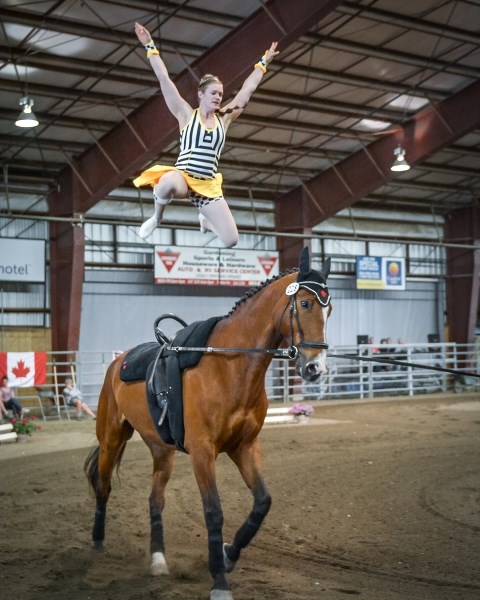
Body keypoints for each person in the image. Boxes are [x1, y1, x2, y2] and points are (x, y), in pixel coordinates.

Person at [132, 22, 279, 246]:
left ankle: (206, 219)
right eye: (213, 93)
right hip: (184, 179)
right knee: (166, 181)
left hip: (208, 186)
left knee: (231, 240)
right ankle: (156, 217)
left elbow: (247, 90)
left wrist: (263, 63)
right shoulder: (185, 114)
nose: (218, 97)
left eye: (220, 94)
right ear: (200, 95)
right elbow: (164, 79)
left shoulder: (225, 118)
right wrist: (149, 45)